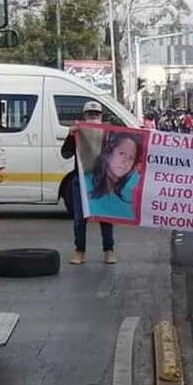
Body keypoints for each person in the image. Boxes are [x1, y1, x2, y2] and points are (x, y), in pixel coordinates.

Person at [63, 101, 116, 265]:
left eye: (96, 114)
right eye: (90, 114)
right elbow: (65, 153)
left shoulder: (109, 134)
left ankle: (109, 250)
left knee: (105, 217)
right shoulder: (77, 133)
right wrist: (71, 136)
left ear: (101, 116)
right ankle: (80, 251)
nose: (93, 117)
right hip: (81, 179)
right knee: (79, 218)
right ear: (84, 116)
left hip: (102, 179)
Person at [83, 131, 143, 220]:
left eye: (131, 158)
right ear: (109, 153)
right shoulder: (87, 182)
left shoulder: (135, 183)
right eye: (121, 153)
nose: (126, 161)